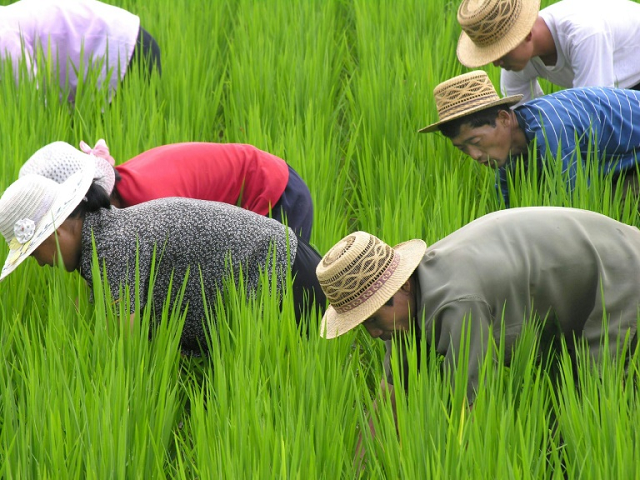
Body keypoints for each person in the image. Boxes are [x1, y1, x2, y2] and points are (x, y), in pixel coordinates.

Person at [316, 207, 640, 423]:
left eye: (372, 320)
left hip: (618, 270)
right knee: (558, 397)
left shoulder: (455, 302)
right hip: (568, 281)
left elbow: (471, 408)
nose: (373, 334)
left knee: (594, 403)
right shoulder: (406, 313)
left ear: (399, 288)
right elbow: (391, 394)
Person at [0, 145, 326, 355]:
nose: (39, 265)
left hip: (286, 281)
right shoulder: (104, 237)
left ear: (56, 232)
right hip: (280, 275)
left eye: (32, 253)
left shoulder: (112, 247)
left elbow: (126, 355)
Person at [418, 70, 640, 207]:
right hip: (622, 158)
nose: (474, 155)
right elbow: (507, 211)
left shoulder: (552, 128)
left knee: (613, 212)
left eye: (475, 142)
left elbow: (578, 206)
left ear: (504, 118)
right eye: (462, 149)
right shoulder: (510, 152)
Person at [19, 140, 315, 242]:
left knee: (275, 303)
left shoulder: (153, 202)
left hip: (276, 194)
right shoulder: (124, 194)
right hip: (258, 185)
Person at [456, 0, 640, 106]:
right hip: (614, 91)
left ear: (526, 34)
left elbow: (594, 111)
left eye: (501, 52)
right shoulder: (516, 62)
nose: (496, 63)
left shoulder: (584, 34)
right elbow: (524, 118)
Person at [0, 0, 161, 102]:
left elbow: (31, 103)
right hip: (123, 43)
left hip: (128, 50)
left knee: (119, 144)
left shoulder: (4, 34)